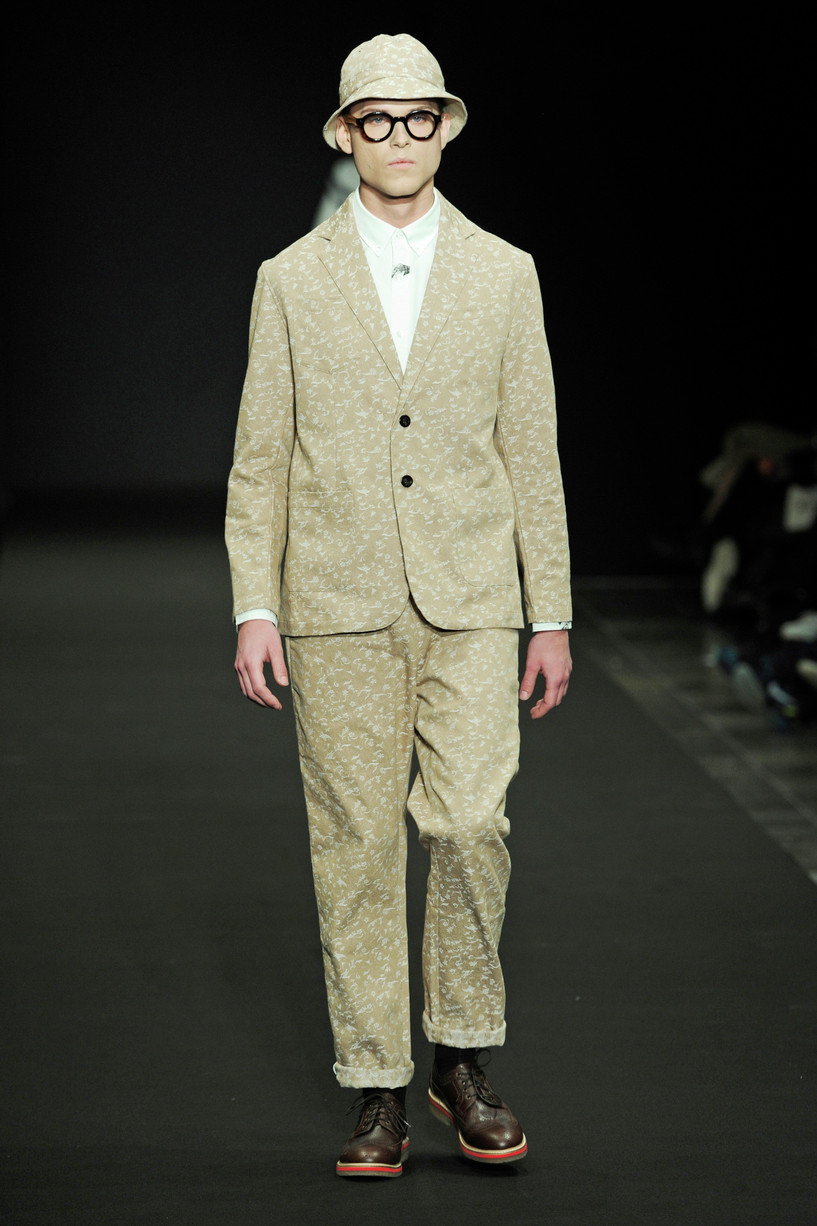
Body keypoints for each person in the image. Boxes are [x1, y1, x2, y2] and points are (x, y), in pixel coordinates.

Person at [225, 32, 572, 1178]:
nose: (400, 136)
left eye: (419, 116)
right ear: (345, 133)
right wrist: (253, 604)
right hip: (335, 598)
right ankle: (375, 1080)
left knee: (470, 822)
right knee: (358, 843)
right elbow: (259, 459)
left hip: (471, 594)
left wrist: (551, 611)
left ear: (445, 127)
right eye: (377, 118)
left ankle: (460, 1056)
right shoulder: (290, 279)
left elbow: (532, 449)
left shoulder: (506, 272)